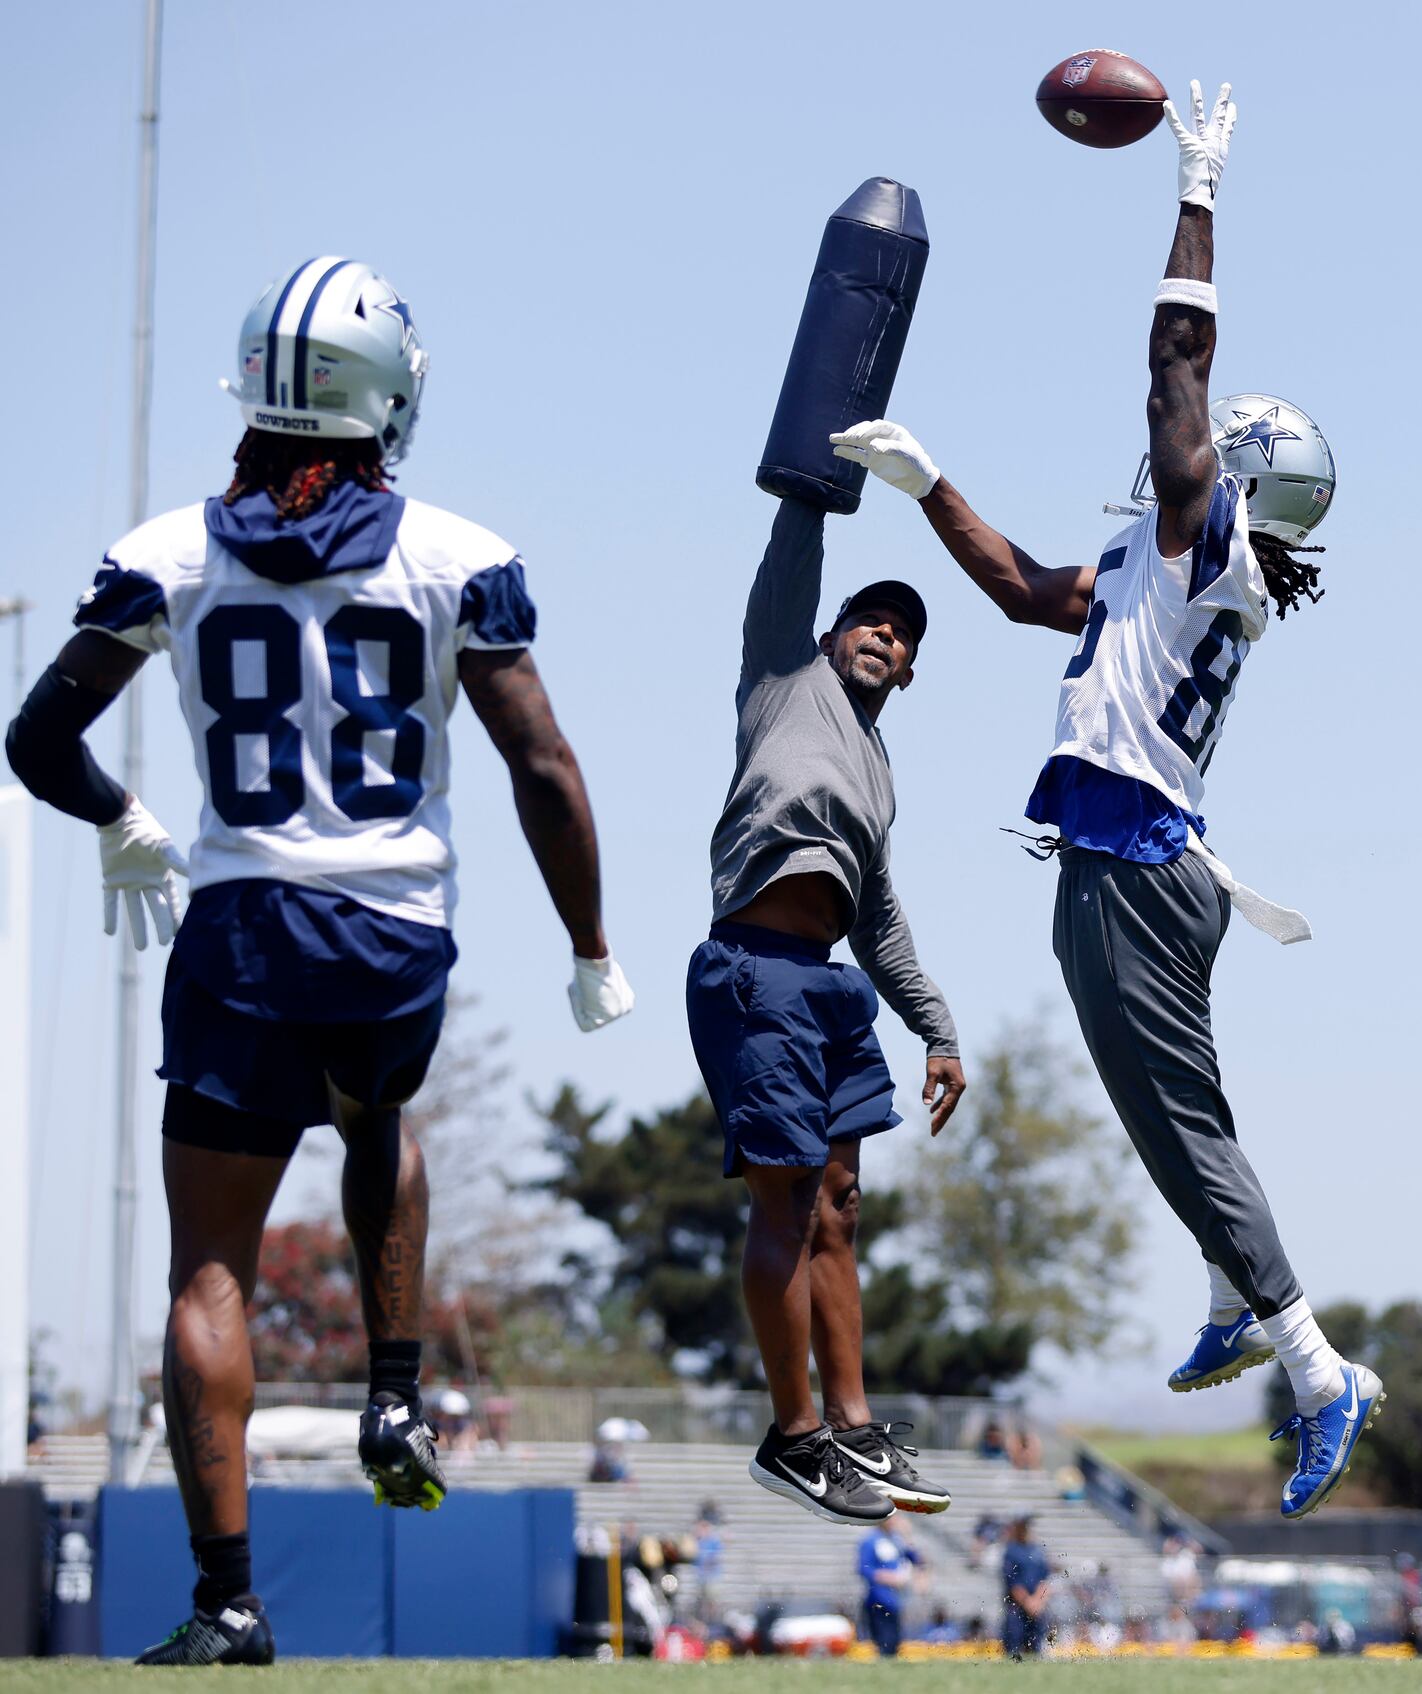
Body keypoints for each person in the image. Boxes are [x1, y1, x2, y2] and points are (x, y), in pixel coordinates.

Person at [5, 257, 632, 1665]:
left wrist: (121, 817)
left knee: (207, 1273)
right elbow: (545, 762)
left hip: (237, 927)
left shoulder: (166, 552)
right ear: (387, 401)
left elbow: (38, 740)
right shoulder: (457, 554)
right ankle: (394, 1389)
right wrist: (591, 941)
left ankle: (227, 1599)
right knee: (376, 1116)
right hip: (393, 931)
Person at [830, 78, 1382, 1521]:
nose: (1168, 452)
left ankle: (1320, 1369)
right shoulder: (1165, 570)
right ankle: (1226, 1278)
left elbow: (1174, 371)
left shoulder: (1205, 543)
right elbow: (1023, 590)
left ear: (1234, 478)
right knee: (1183, 1108)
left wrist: (1194, 194)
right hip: (1162, 861)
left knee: (1173, 1125)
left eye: (1200, 448)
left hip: (1134, 864)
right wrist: (929, 480)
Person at [687, 490, 963, 1524]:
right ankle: (792, 1435)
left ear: (909, 668)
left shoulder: (878, 772)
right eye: (870, 618)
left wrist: (936, 1027)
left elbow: (879, 917)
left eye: (902, 633)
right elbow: (789, 561)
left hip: (833, 986)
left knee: (841, 1209)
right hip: (755, 968)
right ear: (830, 632)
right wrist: (815, 477)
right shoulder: (782, 676)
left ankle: (852, 1425)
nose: (886, 633)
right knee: (790, 1205)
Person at [858, 1520, 924, 1657]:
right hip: (879, 1599)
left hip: (896, 1600)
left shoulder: (897, 1540)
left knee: (895, 1641)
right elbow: (864, 1569)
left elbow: (916, 1558)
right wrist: (891, 1578)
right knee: (884, 1641)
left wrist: (908, 1536)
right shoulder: (871, 1540)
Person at [1001, 1517, 1050, 1660]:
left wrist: (1038, 1602)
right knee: (1014, 1648)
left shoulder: (1039, 1552)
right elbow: (1013, 1583)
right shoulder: (1011, 1551)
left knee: (1036, 1648)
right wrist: (1028, 1602)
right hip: (1017, 1607)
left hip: (1037, 1607)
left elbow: (1045, 1580)